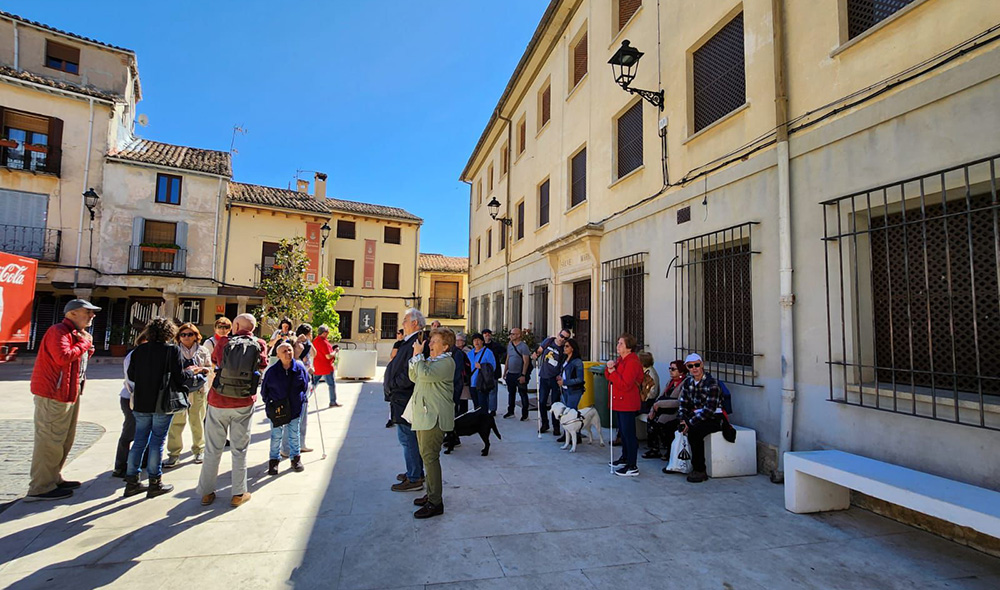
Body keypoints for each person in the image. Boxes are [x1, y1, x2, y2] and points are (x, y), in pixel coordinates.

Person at [26, 299, 98, 501]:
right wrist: (85, 343)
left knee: (64, 439)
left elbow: (76, 359)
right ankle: (40, 487)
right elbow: (63, 357)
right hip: (53, 394)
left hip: (68, 393)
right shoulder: (58, 331)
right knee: (49, 440)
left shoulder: (75, 334)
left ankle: (53, 477)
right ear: (72, 313)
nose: (92, 316)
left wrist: (86, 346)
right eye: (87, 312)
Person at [198, 313, 267, 507]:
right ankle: (238, 493)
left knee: (212, 449)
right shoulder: (259, 343)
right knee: (239, 449)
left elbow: (213, 361)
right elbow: (263, 365)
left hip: (218, 400)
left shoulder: (224, 342)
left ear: (235, 325)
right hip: (244, 402)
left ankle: (206, 492)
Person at [124, 316, 188, 498]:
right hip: (162, 401)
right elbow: (178, 376)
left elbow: (132, 375)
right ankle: (155, 481)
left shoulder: (139, 350)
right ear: (169, 332)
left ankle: (132, 481)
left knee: (139, 440)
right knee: (157, 441)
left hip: (142, 401)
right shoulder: (172, 350)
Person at [408, 327, 457, 518]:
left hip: (434, 418)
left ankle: (435, 502)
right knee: (426, 456)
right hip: (424, 416)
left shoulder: (447, 362)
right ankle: (430, 494)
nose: (430, 344)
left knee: (430, 457)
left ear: (445, 346)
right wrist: (416, 356)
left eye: (434, 341)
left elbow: (425, 375)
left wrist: (419, 357)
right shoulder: (430, 361)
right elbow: (414, 376)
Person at [385, 308, 426, 492]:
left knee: (407, 438)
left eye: (405, 320)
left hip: (404, 397)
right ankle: (414, 471)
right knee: (407, 438)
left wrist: (394, 384)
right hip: (401, 396)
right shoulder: (409, 341)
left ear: (415, 323)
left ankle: (414, 477)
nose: (402, 324)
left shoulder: (416, 342)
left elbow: (411, 372)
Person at [163, 323, 212, 468]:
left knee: (197, 421)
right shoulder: (174, 350)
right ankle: (174, 453)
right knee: (176, 423)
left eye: (190, 334)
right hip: (179, 390)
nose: (186, 337)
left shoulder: (202, 350)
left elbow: (209, 368)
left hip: (198, 390)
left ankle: (199, 449)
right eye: (183, 334)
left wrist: (200, 369)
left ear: (196, 336)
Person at [263, 342, 310, 475]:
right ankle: (273, 461)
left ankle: (295, 459)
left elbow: (305, 385)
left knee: (294, 435)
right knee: (276, 436)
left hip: (294, 408)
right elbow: (264, 391)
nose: (288, 353)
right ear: (278, 355)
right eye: (284, 351)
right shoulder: (272, 371)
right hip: (277, 408)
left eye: (289, 350)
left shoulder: (300, 368)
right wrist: (270, 404)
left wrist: (300, 400)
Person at [677, 353, 724, 483]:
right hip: (695, 416)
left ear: (702, 365)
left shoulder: (712, 383)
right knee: (675, 427)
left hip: (713, 418)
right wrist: (682, 419)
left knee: (695, 433)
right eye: (691, 366)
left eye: (697, 365)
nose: (694, 368)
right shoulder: (688, 383)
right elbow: (683, 403)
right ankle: (677, 463)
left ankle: (699, 469)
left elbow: (709, 410)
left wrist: (689, 423)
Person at [605, 333, 643, 477]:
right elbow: (609, 376)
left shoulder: (632, 362)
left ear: (629, 347)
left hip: (627, 401)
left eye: (621, 343)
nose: (618, 346)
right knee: (623, 432)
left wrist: (612, 371)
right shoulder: (621, 360)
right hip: (619, 401)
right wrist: (609, 369)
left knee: (629, 434)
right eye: (618, 343)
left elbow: (625, 384)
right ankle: (625, 457)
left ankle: (632, 465)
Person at [113, 330, 148, 479]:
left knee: (146, 432)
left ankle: (142, 462)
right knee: (130, 431)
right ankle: (121, 465)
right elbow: (130, 380)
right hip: (132, 398)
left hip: (146, 398)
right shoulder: (133, 356)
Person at [646, 359, 687, 461]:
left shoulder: (684, 384)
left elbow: (678, 402)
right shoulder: (671, 382)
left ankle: (669, 451)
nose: (670, 371)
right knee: (651, 419)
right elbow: (661, 396)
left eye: (673, 369)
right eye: (670, 368)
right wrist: (653, 409)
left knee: (662, 423)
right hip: (663, 410)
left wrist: (659, 404)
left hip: (674, 412)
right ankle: (654, 448)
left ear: (681, 371)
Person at [284, 323, 315, 456]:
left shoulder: (307, 345)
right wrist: (296, 341)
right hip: (294, 387)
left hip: (305, 383)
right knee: (291, 418)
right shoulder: (291, 345)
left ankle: (301, 443)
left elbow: (314, 353)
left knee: (303, 416)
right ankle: (285, 448)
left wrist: (308, 341)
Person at [535, 329, 569, 434]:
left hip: (554, 379)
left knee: (555, 404)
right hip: (544, 376)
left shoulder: (564, 349)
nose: (562, 339)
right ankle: (544, 424)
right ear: (558, 334)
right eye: (561, 336)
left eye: (565, 338)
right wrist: (535, 355)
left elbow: (564, 364)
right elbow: (540, 350)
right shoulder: (549, 341)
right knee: (542, 402)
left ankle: (556, 427)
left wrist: (560, 376)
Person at [555, 337, 586, 444]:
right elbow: (563, 371)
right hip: (565, 390)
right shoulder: (565, 359)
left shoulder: (577, 362)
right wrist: (560, 377)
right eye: (564, 346)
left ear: (573, 348)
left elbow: (579, 379)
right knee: (565, 413)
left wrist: (565, 382)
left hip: (574, 390)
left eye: (567, 346)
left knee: (571, 413)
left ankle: (576, 435)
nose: (565, 348)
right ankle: (567, 434)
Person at [502, 328, 532, 421]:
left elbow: (526, 361)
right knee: (511, 393)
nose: (511, 335)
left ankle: (525, 414)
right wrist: (505, 371)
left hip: (519, 374)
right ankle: (510, 411)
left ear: (519, 335)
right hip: (511, 373)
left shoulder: (523, 346)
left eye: (513, 334)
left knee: (523, 394)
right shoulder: (510, 345)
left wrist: (523, 375)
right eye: (511, 334)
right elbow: (508, 358)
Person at [467, 333, 496, 413]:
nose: (476, 342)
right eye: (474, 340)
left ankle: (484, 421)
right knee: (476, 405)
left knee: (483, 405)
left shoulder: (488, 352)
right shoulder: (470, 353)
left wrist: (482, 366)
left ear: (482, 341)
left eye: (478, 340)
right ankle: (478, 421)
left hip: (482, 383)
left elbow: (493, 367)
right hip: (472, 382)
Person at [312, 325, 339, 408]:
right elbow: (328, 356)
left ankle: (305, 397)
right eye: (327, 332)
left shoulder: (315, 340)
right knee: (331, 384)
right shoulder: (323, 342)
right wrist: (335, 351)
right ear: (324, 333)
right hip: (326, 367)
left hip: (317, 366)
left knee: (313, 383)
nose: (328, 334)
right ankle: (333, 402)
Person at [482, 329, 504, 415]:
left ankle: (493, 409)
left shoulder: (496, 345)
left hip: (493, 371)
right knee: (483, 390)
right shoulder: (480, 345)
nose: (487, 335)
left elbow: (504, 352)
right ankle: (484, 408)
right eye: (485, 333)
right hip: (482, 372)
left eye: (488, 333)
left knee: (493, 391)